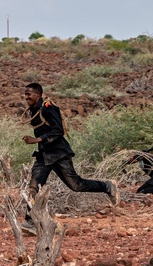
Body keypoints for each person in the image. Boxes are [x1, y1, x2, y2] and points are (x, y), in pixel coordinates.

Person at [22, 83, 118, 233]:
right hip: (44, 155)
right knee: (34, 185)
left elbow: (58, 131)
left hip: (58, 153)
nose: (26, 97)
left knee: (76, 185)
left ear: (38, 95)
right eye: (25, 94)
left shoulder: (48, 107)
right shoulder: (34, 110)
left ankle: (107, 186)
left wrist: (37, 140)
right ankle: (31, 221)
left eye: (29, 94)